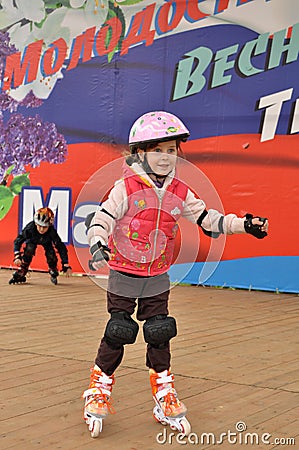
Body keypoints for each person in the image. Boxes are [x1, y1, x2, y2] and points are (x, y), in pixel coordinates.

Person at [82, 111, 269, 436]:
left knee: (159, 332)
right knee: (119, 331)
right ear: (140, 152)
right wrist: (97, 242)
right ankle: (98, 389)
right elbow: (103, 217)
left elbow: (208, 220)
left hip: (157, 276)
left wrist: (244, 225)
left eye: (171, 151)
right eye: (159, 151)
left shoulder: (180, 192)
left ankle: (164, 395)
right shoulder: (124, 188)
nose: (167, 158)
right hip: (124, 273)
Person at [9, 207, 72, 285]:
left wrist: (65, 264)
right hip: (32, 240)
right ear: (35, 223)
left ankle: (52, 268)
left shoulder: (51, 232)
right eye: (39, 226)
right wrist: (17, 256)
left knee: (51, 254)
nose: (41, 229)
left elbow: (60, 246)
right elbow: (18, 241)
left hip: (47, 241)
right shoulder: (30, 228)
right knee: (29, 249)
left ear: (50, 225)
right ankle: (23, 269)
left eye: (45, 227)